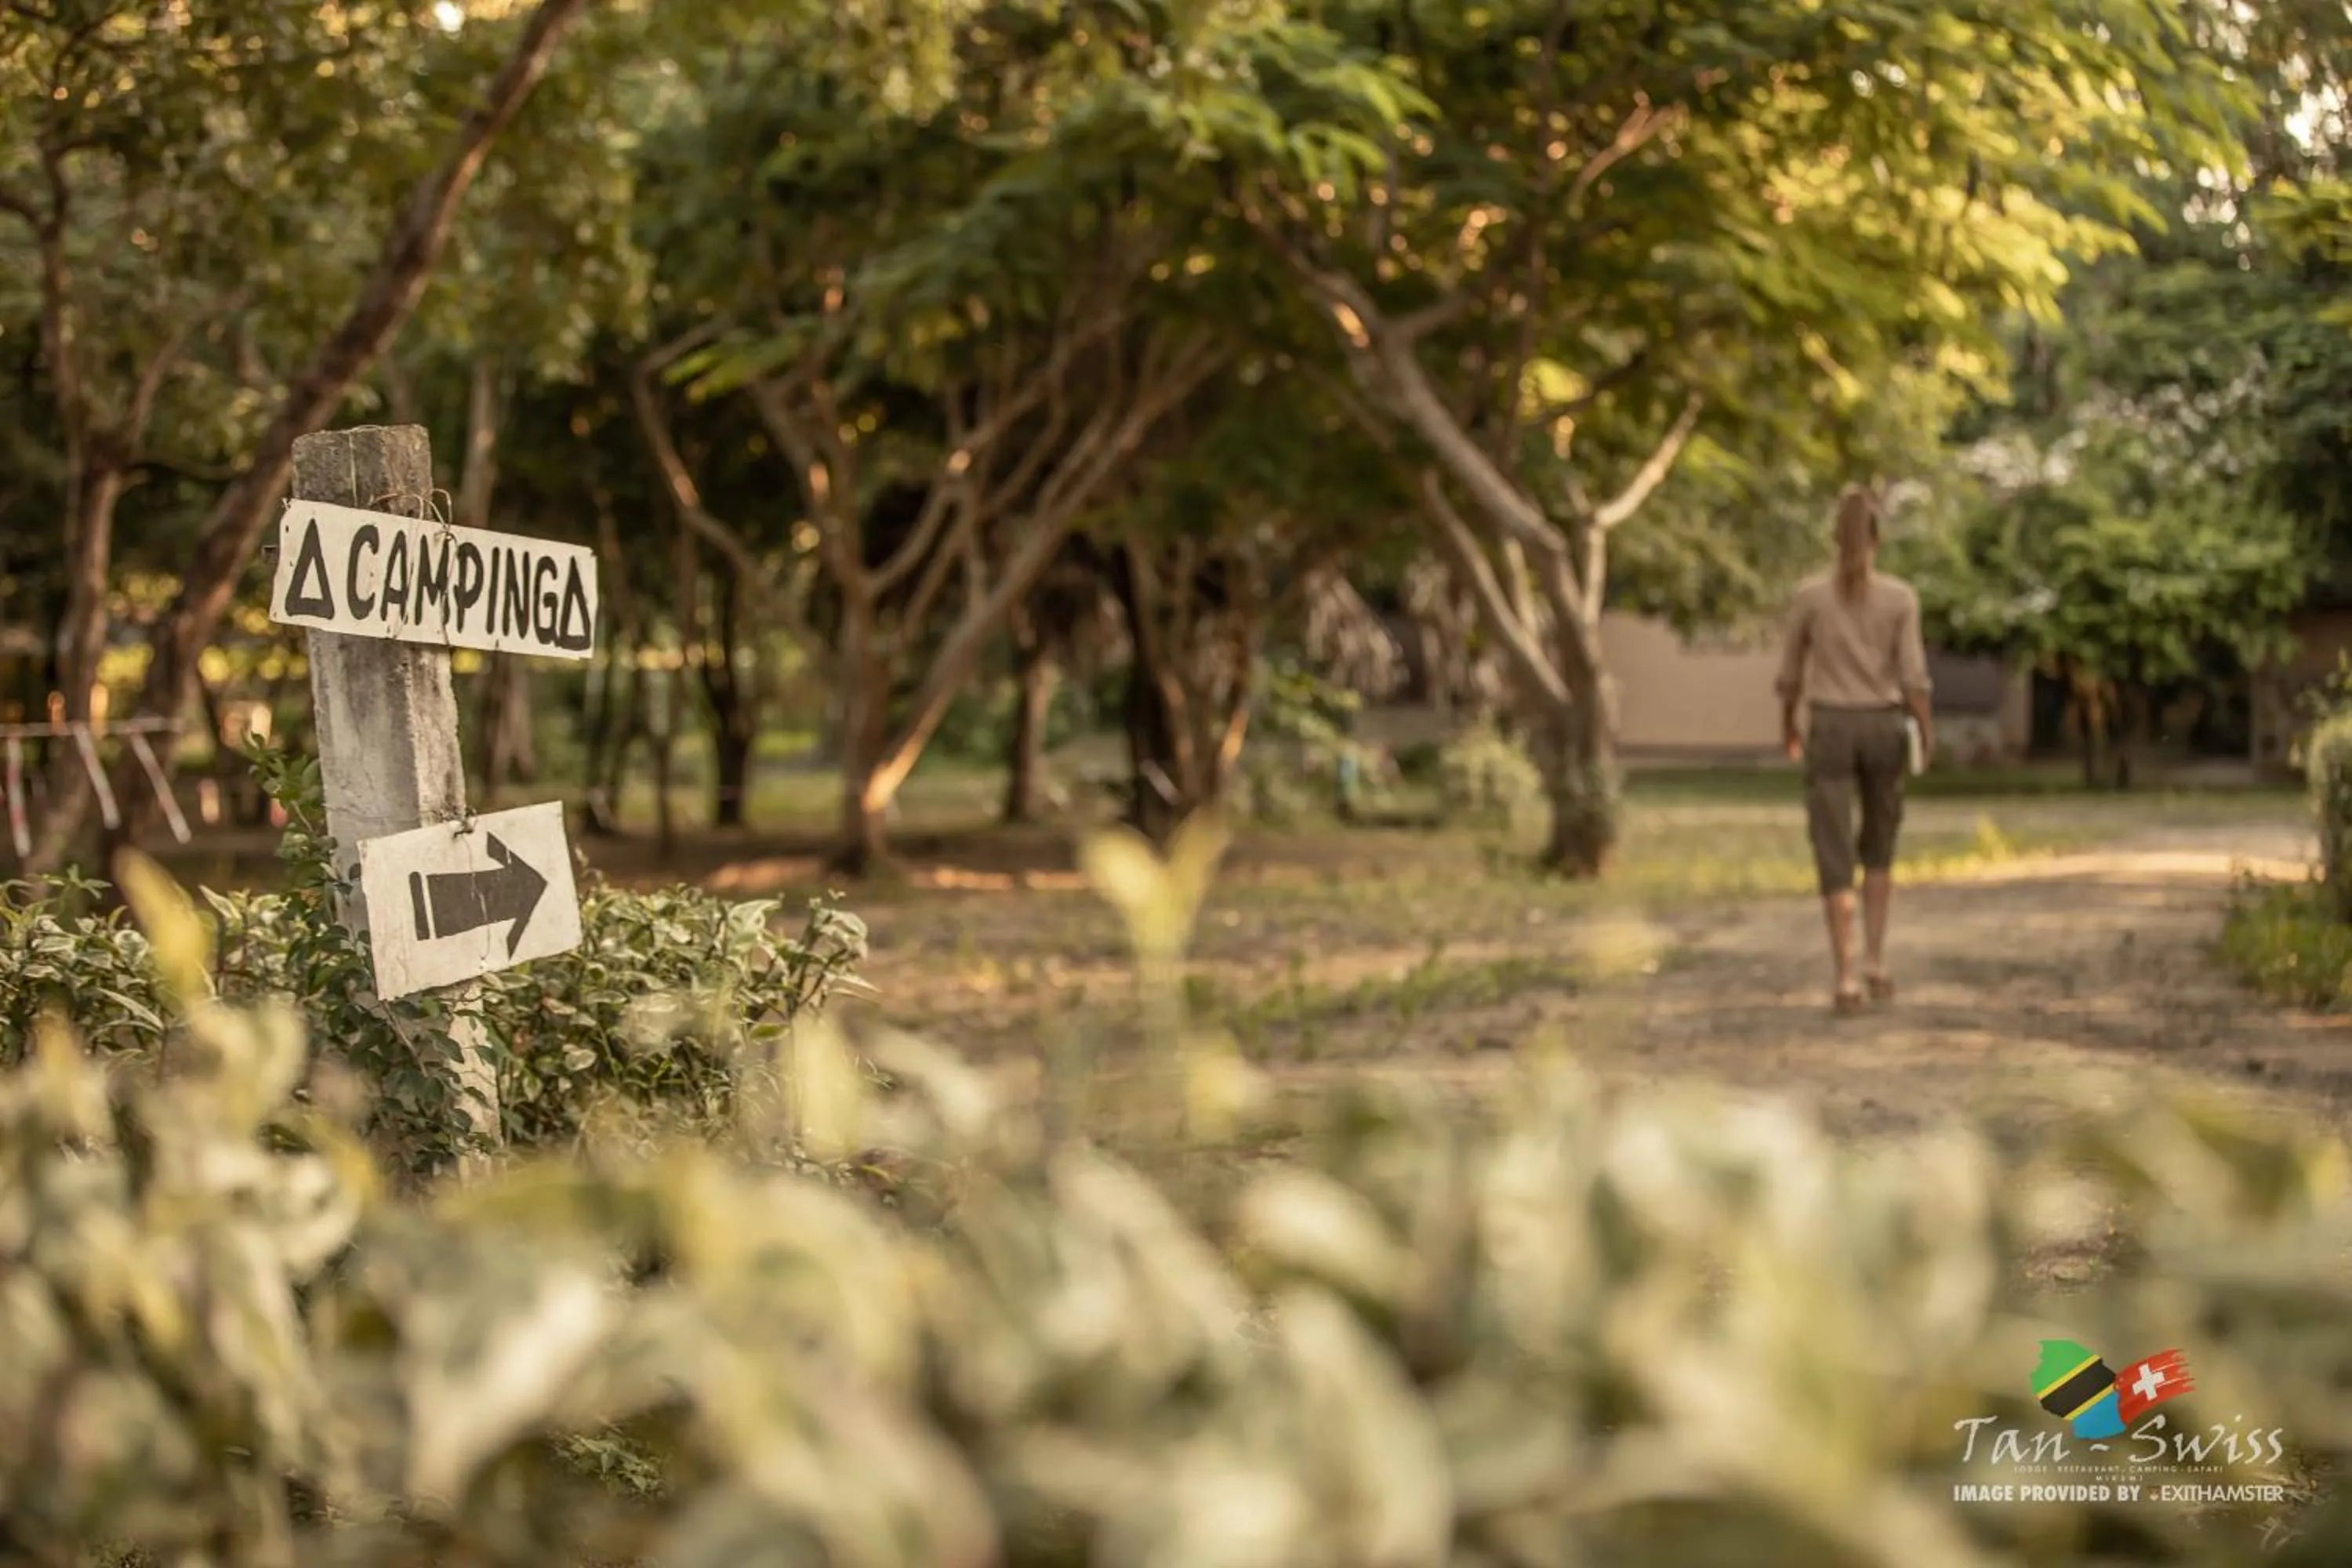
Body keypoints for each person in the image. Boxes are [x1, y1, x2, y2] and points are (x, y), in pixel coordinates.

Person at [1775, 485, 1934, 1014]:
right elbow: (1913, 677)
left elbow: (1790, 675)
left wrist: (1788, 725)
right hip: (1883, 724)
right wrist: (1925, 729)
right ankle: (1876, 960)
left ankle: (1844, 975)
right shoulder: (1900, 598)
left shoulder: (1809, 598)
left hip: (1830, 724)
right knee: (1880, 846)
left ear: (1833, 538)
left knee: (1834, 847)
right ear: (1877, 539)